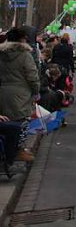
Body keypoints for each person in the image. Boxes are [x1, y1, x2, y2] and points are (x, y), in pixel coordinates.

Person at [0, 28, 41, 163]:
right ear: (22, 39)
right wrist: (36, 91)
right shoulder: (25, 55)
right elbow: (32, 76)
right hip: (21, 93)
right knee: (21, 122)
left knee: (6, 122)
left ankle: (6, 151)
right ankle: (18, 151)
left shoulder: (2, 54)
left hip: (3, 92)